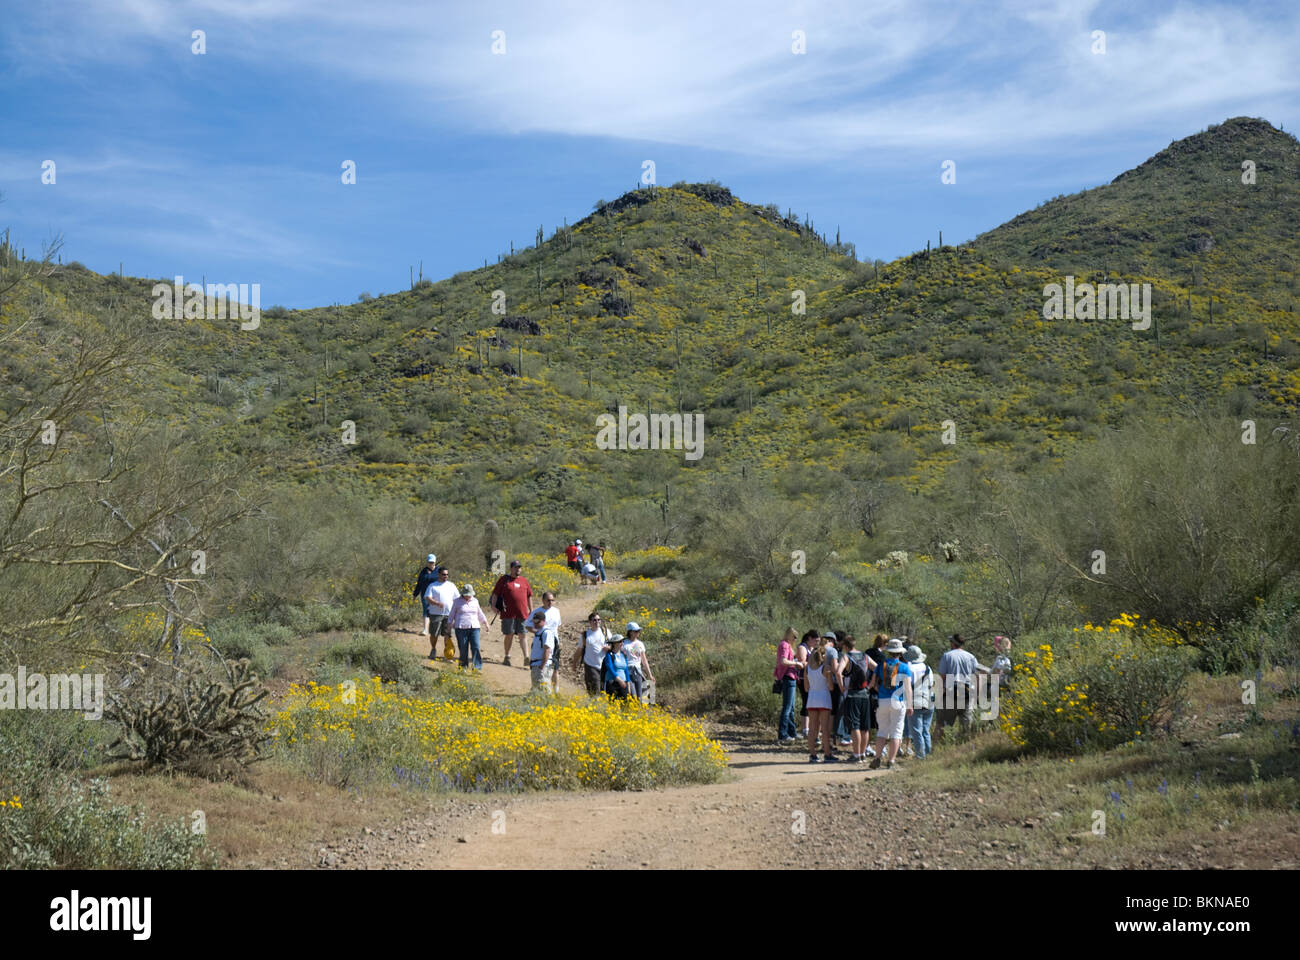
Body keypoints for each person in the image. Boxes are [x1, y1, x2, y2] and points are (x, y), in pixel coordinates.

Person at [869, 638, 913, 770]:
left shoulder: (881, 664)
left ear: (889, 652)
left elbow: (872, 683)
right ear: (900, 653)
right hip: (898, 702)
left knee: (882, 731)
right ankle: (891, 760)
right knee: (897, 732)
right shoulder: (904, 667)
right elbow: (908, 688)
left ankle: (877, 758)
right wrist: (910, 705)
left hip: (883, 701)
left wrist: (879, 690)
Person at [934, 633, 981, 743]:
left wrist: (939, 695)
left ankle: (937, 747)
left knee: (943, 724)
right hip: (967, 692)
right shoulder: (971, 657)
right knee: (966, 725)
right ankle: (966, 746)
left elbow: (941, 677)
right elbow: (978, 675)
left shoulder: (947, 656)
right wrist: (977, 695)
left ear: (953, 643)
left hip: (951, 692)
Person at [803, 637, 841, 764]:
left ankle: (812, 755)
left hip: (812, 699)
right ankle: (827, 754)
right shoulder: (826, 669)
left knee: (812, 728)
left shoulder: (807, 668)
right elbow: (830, 687)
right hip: (824, 699)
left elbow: (806, 688)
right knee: (824, 729)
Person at [489, 559, 533, 667]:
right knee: (509, 634)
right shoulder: (504, 580)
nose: (518, 569)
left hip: (522, 613)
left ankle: (526, 657)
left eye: (519, 567)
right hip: (507, 613)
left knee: (523, 634)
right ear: (511, 569)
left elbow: (529, 596)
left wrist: (531, 610)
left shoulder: (524, 581)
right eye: (516, 567)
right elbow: (495, 594)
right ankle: (507, 656)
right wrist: (493, 606)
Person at [840, 636, 877, 762]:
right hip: (865, 694)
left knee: (855, 725)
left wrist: (842, 687)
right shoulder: (865, 656)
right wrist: (871, 684)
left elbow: (838, 671)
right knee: (864, 726)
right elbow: (877, 668)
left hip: (852, 694)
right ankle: (863, 754)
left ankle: (856, 755)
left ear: (845, 646)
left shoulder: (847, 657)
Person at [449, 584, 490, 670]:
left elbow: (480, 613)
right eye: (466, 594)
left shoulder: (475, 601)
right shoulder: (457, 601)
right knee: (463, 649)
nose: (467, 596)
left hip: (474, 627)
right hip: (461, 628)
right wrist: (449, 626)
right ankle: (463, 667)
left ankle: (477, 668)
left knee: (476, 647)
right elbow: (452, 614)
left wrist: (485, 623)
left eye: (469, 594)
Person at [422, 566, 459, 660]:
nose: (445, 576)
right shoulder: (433, 586)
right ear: (439, 574)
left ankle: (447, 654)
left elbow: (457, 599)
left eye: (447, 574)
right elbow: (427, 597)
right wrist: (437, 603)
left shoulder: (451, 585)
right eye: (443, 574)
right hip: (435, 614)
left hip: (449, 614)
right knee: (434, 634)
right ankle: (433, 649)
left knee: (448, 634)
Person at [904, 644, 934, 758]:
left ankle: (920, 755)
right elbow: (931, 684)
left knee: (916, 730)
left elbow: (906, 686)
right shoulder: (928, 668)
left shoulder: (908, 669)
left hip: (915, 702)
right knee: (926, 730)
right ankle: (928, 753)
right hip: (929, 700)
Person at [530, 592, 563, 693]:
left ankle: (556, 691)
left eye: (552, 600)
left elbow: (559, 626)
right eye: (548, 600)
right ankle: (543, 689)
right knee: (543, 664)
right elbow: (527, 624)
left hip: (554, 641)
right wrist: (538, 633)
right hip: (542, 639)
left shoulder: (556, 611)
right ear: (543, 600)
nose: (550, 602)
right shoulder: (537, 612)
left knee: (555, 667)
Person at [774, 628, 802, 743]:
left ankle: (791, 732)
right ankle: (783, 735)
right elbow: (783, 661)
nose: (795, 639)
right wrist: (796, 663)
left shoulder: (784, 644)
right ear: (790, 635)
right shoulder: (785, 645)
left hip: (789, 677)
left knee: (790, 708)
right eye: (794, 637)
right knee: (787, 708)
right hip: (788, 677)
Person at [573, 611, 611, 694]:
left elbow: (614, 646)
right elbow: (579, 650)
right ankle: (594, 705)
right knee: (594, 691)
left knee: (604, 690)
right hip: (591, 666)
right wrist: (574, 664)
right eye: (594, 620)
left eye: (599, 620)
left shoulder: (606, 632)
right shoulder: (585, 635)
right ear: (590, 622)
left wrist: (609, 648)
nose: (597, 622)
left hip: (605, 666)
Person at [622, 621, 654, 702]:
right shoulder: (623, 643)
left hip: (638, 671)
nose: (638, 632)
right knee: (633, 695)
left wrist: (650, 675)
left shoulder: (640, 644)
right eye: (636, 631)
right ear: (630, 632)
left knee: (642, 696)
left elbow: (644, 660)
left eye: (638, 630)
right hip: (627, 671)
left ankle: (640, 712)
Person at [527, 611, 556, 692]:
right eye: (534, 622)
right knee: (537, 690)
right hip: (536, 665)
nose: (535, 624)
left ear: (543, 621)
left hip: (542, 666)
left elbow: (547, 650)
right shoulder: (539, 632)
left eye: (537, 622)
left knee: (544, 691)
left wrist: (542, 667)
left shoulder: (546, 632)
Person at [796, 630, 817, 738]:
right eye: (815, 640)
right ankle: (805, 729)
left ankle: (809, 728)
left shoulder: (813, 648)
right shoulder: (802, 647)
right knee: (806, 702)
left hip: (812, 679)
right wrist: (817, 662)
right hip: (803, 678)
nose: (817, 643)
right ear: (809, 638)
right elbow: (802, 663)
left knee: (810, 703)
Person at [413, 554, 438, 636]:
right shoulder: (423, 572)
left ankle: (436, 628)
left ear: (435, 562)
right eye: (429, 562)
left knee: (436, 611)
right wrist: (415, 594)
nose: (431, 564)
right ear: (427, 562)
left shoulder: (439, 571)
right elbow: (419, 584)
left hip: (436, 594)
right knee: (426, 611)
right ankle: (425, 629)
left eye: (432, 562)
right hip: (425, 594)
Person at [602, 634, 631, 699]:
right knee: (612, 704)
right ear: (614, 643)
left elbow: (626, 670)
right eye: (620, 641)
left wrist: (628, 685)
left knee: (625, 704)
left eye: (623, 641)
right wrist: (619, 680)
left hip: (623, 683)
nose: (622, 643)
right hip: (612, 683)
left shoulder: (623, 655)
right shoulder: (609, 655)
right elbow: (610, 668)